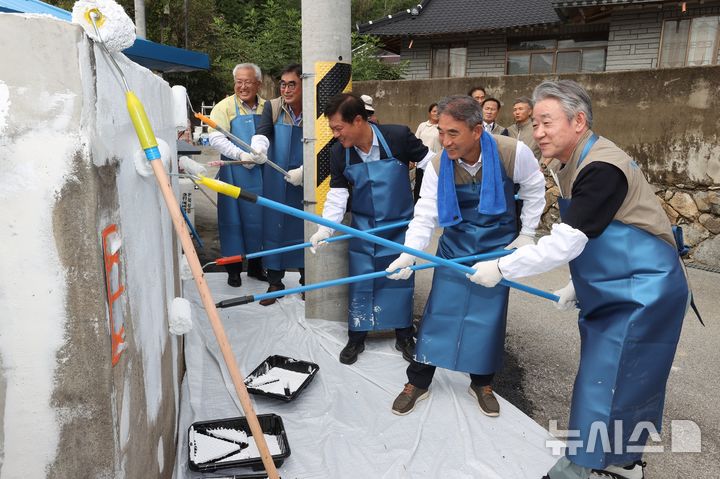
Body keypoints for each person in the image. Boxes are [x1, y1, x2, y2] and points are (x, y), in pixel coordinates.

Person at [467, 80, 689, 479]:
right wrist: (577, 283)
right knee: (627, 378)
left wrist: (501, 268)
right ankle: (624, 461)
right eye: (534, 124)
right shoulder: (572, 162)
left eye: (546, 122)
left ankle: (579, 467)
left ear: (579, 121)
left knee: (605, 379)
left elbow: (568, 240)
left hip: (646, 288)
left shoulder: (602, 167)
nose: (538, 132)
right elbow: (597, 233)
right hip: (617, 283)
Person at [386, 95, 545, 417]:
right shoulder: (436, 164)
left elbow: (533, 190)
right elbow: (426, 213)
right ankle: (418, 380)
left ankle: (482, 382)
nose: (444, 141)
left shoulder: (511, 151)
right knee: (438, 313)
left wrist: (527, 234)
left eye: (453, 133)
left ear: (476, 130)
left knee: (488, 318)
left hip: (497, 250)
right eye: (441, 132)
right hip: (454, 248)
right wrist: (410, 253)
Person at [309, 93, 435, 365]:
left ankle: (404, 334)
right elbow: (338, 193)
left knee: (400, 281)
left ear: (358, 121)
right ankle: (357, 336)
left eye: (338, 128)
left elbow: (432, 164)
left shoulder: (398, 137)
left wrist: (431, 200)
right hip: (363, 229)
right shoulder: (338, 151)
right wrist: (325, 230)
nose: (335, 134)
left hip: (400, 228)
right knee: (361, 281)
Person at [208, 63, 267, 287]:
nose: (243, 86)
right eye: (239, 81)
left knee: (260, 221)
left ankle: (256, 266)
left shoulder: (267, 107)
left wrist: (260, 154)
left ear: (258, 84)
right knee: (232, 222)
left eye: (248, 82)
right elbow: (216, 138)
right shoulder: (224, 107)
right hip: (233, 172)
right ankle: (233, 270)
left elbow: (270, 134)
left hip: (261, 173)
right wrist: (242, 155)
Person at [251, 63, 305, 306]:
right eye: (283, 84)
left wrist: (306, 171)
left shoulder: (317, 109)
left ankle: (308, 282)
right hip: (276, 176)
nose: (286, 89)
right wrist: (259, 148)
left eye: (292, 84)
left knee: (306, 226)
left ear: (304, 84)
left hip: (306, 179)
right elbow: (263, 132)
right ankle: (275, 281)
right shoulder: (272, 107)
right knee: (274, 225)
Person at [413, 103, 441, 202]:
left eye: (438, 111)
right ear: (429, 113)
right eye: (434, 111)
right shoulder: (422, 126)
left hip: (436, 162)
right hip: (422, 161)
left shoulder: (442, 127)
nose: (436, 113)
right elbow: (415, 141)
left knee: (433, 187)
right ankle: (416, 208)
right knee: (419, 186)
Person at [507, 96, 542, 161]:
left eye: (520, 109)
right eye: (515, 110)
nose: (517, 112)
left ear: (530, 112)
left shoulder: (537, 128)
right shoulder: (509, 130)